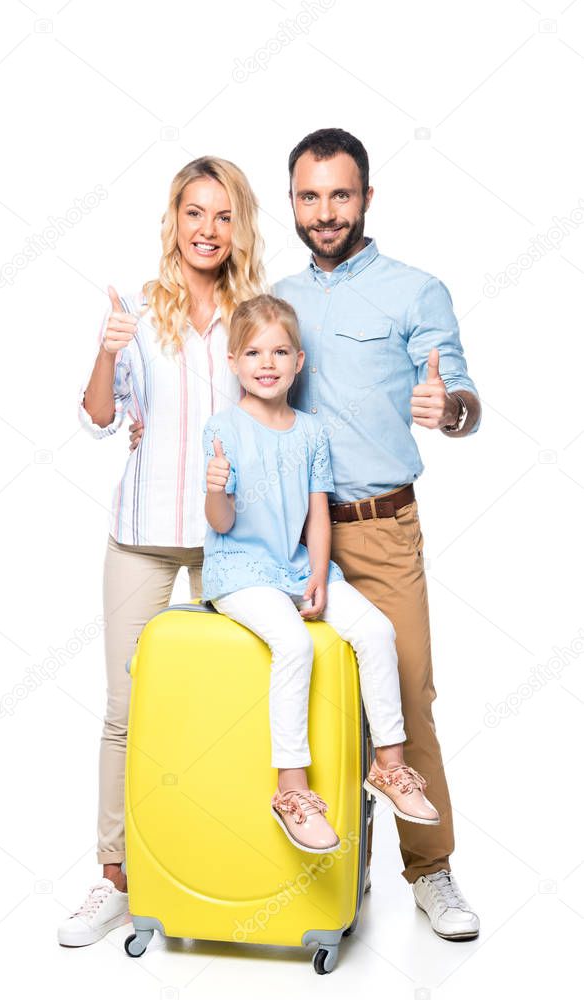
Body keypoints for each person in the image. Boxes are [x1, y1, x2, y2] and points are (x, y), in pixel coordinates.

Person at [272, 127, 482, 939]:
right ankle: (310, 868)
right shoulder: (277, 294)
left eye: (340, 194)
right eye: (309, 196)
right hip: (289, 535)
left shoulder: (414, 290)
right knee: (299, 694)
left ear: (365, 197)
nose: (325, 212)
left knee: (409, 698)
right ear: (292, 200)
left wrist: (449, 410)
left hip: (380, 528)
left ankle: (431, 871)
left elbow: (456, 388)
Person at [58, 157, 265, 947]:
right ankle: (115, 876)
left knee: (227, 710)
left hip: (230, 541)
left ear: (237, 226)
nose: (206, 229)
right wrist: (110, 350)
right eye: (193, 212)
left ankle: (222, 861)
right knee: (126, 708)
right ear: (173, 219)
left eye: (221, 215)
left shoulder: (257, 313)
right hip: (142, 535)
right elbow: (102, 421)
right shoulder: (140, 309)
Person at [202, 294, 440, 855]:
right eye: (255, 352)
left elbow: (317, 513)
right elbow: (220, 522)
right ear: (234, 361)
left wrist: (318, 576)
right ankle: (291, 790)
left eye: (280, 351)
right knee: (293, 644)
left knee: (378, 631)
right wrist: (216, 488)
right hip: (239, 572)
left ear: (299, 362)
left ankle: (390, 765)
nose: (268, 362)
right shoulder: (225, 428)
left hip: (295, 567)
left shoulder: (310, 432)